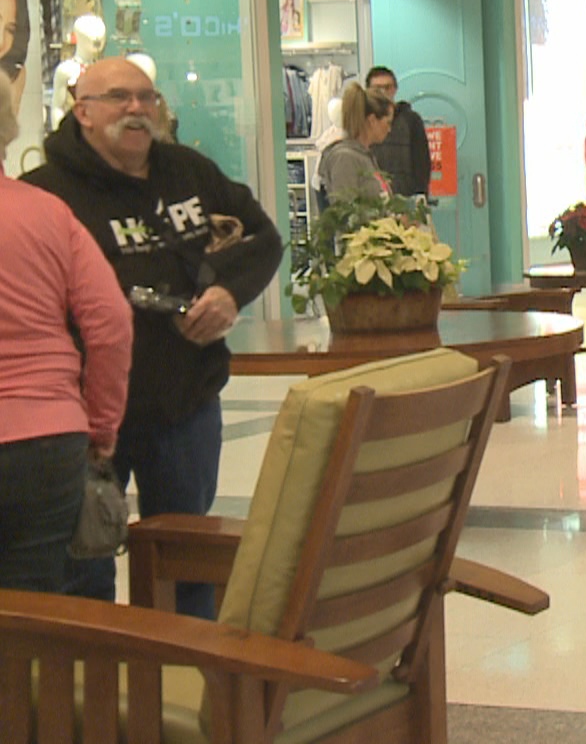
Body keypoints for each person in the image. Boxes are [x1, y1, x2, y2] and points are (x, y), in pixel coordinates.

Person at [24, 57, 282, 617]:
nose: (137, 109)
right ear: (83, 111)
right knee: (85, 564)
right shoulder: (47, 194)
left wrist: (229, 295)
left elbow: (263, 238)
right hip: (91, 415)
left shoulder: (189, 171)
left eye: (147, 97)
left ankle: (186, 682)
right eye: (119, 97)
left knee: (187, 560)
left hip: (185, 401)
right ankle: (106, 689)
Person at [0, 71, 132, 592]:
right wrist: (101, 428)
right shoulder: (48, 213)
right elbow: (111, 325)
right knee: (34, 607)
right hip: (48, 437)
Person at [315, 81, 393, 208]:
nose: (389, 129)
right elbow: (346, 213)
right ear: (372, 120)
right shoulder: (344, 158)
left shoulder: (364, 155)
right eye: (388, 122)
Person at [364, 66, 430, 198]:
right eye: (377, 88)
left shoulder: (411, 120)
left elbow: (422, 164)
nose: (383, 92)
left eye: (387, 87)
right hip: (373, 199)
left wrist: (420, 198)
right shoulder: (362, 121)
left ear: (395, 89)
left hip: (406, 198)